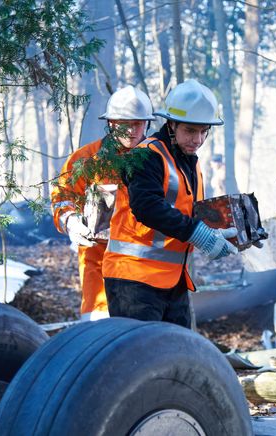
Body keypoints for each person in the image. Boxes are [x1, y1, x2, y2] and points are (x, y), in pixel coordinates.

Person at [102, 79, 238, 328]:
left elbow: (187, 213)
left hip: (173, 280)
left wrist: (234, 234)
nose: (197, 139)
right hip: (133, 279)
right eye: (190, 130)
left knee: (177, 358)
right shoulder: (146, 155)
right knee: (140, 360)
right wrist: (199, 234)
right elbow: (147, 206)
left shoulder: (190, 162)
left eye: (203, 131)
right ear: (172, 125)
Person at [51, 85, 155, 321]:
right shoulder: (85, 159)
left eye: (138, 123)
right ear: (110, 123)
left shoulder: (157, 159)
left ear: (147, 124)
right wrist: (71, 222)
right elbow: (62, 199)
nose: (131, 130)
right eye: (123, 123)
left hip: (149, 274)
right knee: (100, 340)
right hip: (99, 271)